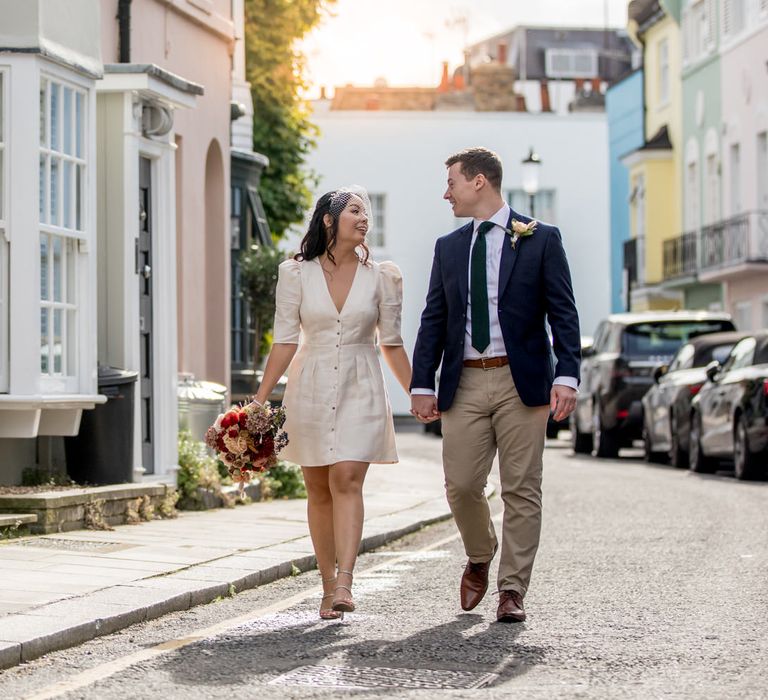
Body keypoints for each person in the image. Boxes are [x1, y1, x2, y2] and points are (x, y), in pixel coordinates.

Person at [410, 147, 580, 623]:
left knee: (522, 489)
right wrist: (422, 381)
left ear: (479, 181)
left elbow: (563, 313)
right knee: (461, 485)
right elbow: (433, 319)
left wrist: (567, 374)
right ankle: (480, 553)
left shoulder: (541, 238)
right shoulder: (448, 247)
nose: (447, 193)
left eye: (452, 183)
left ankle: (512, 589)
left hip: (521, 381)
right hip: (463, 381)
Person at [255, 187, 412, 620]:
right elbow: (285, 340)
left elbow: (392, 345)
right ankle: (327, 585)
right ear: (329, 219)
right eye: (355, 211)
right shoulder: (295, 273)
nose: (365, 219)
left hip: (361, 382)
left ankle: (346, 581)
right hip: (309, 383)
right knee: (318, 488)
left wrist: (418, 393)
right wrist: (261, 398)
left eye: (367, 212)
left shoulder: (384, 276)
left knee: (346, 478)